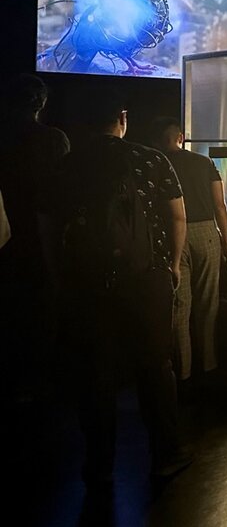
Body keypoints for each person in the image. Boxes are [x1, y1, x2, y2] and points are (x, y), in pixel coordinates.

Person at [45, 87, 192, 487]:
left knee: (95, 373)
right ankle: (166, 454)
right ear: (122, 119)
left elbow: (50, 227)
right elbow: (178, 217)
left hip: (87, 282)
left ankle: (99, 464)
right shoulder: (151, 159)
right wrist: (173, 265)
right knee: (155, 366)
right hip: (147, 278)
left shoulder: (68, 164)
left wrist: (60, 277)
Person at [0, 73, 70, 402]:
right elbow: (60, 195)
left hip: (8, 240)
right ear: (40, 104)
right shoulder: (52, 140)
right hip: (42, 241)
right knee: (41, 319)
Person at [152, 116, 227, 389]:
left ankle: (183, 373)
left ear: (160, 140)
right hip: (206, 233)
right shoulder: (204, 163)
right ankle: (208, 366)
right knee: (208, 303)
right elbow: (220, 205)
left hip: (174, 236)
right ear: (181, 138)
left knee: (180, 306)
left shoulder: (159, 163)